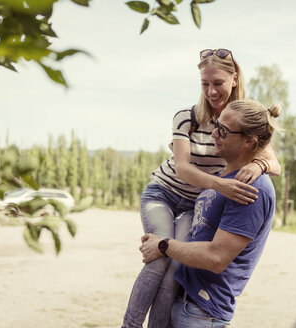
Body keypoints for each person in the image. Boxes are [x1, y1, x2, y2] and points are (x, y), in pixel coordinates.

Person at [121, 49, 281, 328]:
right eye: (204, 84)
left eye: (217, 83)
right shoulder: (189, 118)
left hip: (194, 203)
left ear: (234, 79)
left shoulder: (242, 120)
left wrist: (258, 166)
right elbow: (182, 168)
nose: (210, 91)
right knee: (159, 260)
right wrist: (221, 184)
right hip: (165, 193)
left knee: (173, 267)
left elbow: (272, 160)